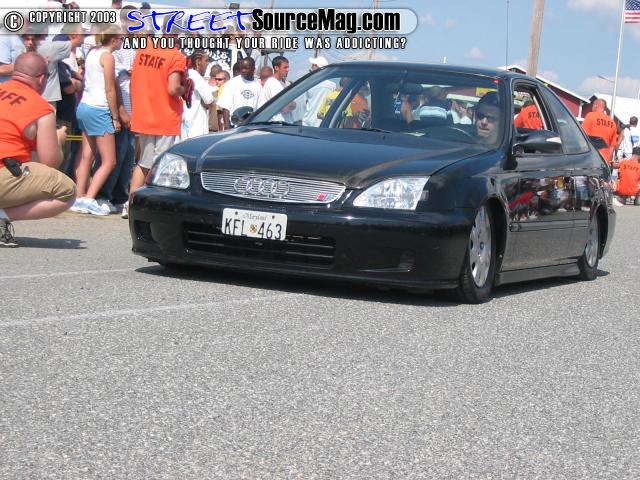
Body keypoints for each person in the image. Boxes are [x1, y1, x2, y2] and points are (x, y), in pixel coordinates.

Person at [0, 52, 74, 247]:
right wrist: (58, 139)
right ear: (42, 79)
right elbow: (50, 161)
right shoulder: (41, 108)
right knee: (67, 191)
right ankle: (2, 216)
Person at [128, 25, 187, 218]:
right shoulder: (176, 56)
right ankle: (154, 207)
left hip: (143, 114)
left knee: (143, 164)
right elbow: (173, 88)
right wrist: (184, 88)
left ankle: (131, 205)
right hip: (164, 116)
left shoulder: (144, 49)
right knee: (161, 165)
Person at [71, 28, 124, 216]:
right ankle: (89, 198)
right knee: (110, 161)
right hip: (99, 108)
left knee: (87, 155)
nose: (122, 41)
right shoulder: (107, 57)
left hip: (84, 105)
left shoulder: (92, 52)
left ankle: (79, 196)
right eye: (121, 38)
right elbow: (110, 89)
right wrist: (115, 117)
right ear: (114, 40)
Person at [217, 57, 261, 130]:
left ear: (253, 69)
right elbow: (225, 108)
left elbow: (259, 108)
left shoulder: (258, 86)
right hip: (234, 126)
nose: (243, 71)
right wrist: (227, 127)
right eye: (242, 68)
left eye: (246, 68)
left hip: (250, 127)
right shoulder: (232, 83)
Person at [181, 50, 214, 139]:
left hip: (185, 125)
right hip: (196, 127)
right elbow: (209, 100)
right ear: (198, 61)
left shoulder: (187, 74)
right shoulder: (196, 76)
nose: (207, 64)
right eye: (206, 61)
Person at [257, 55, 294, 122]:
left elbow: (290, 105)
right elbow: (284, 108)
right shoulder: (272, 83)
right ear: (276, 68)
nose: (287, 70)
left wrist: (290, 104)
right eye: (285, 67)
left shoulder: (281, 83)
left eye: (288, 67)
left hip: (285, 124)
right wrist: (292, 103)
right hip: (277, 124)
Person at [581, 98, 616, 165]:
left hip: (591, 158)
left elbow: (582, 135)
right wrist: (608, 161)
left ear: (595, 105)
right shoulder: (613, 123)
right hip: (605, 160)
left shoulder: (590, 116)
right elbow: (612, 146)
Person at [302, 56, 334, 127]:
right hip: (324, 122)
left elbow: (304, 103)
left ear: (318, 67)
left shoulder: (308, 84)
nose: (311, 67)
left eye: (314, 65)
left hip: (308, 123)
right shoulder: (332, 85)